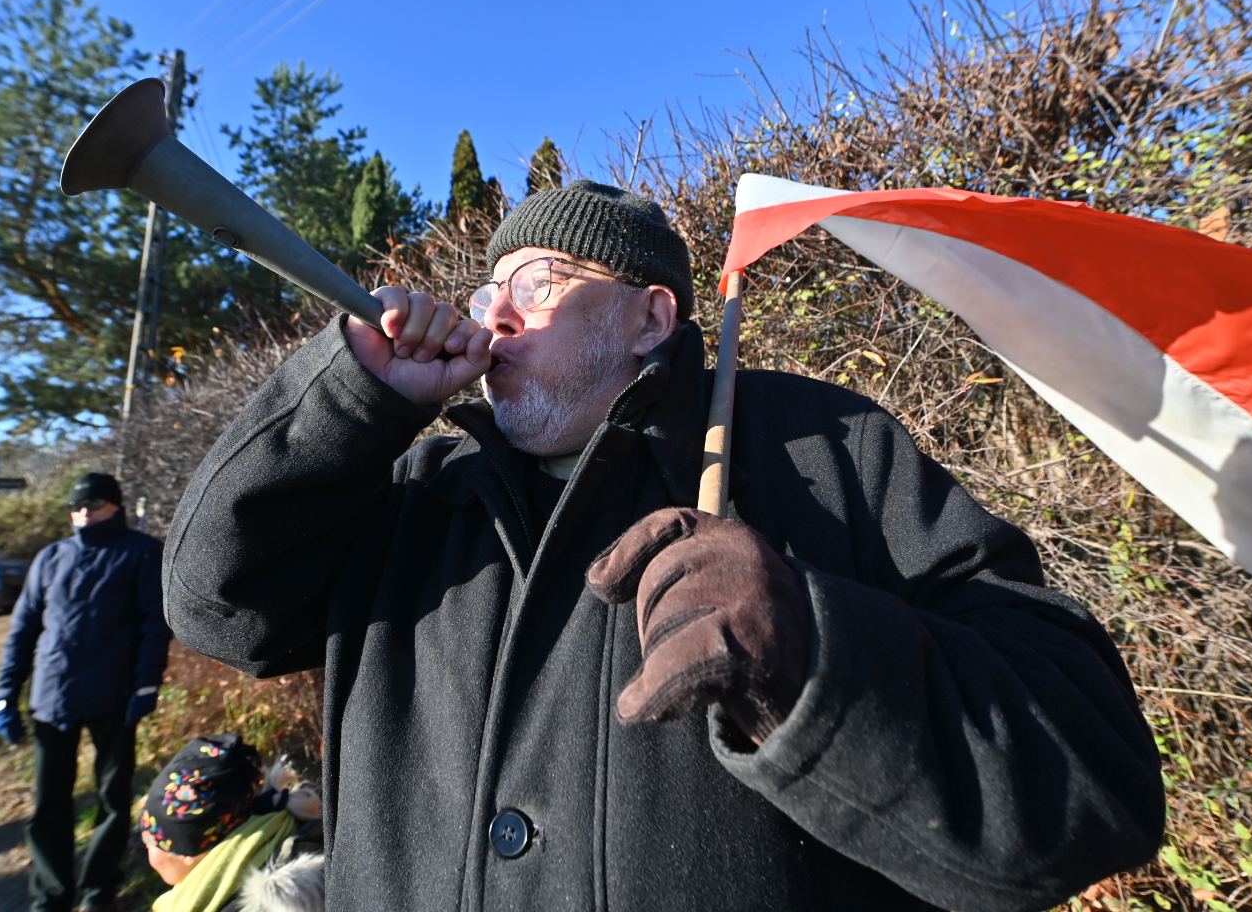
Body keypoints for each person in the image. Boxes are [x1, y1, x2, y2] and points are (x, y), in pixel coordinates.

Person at [162, 181, 1166, 911]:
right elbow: (215, 603)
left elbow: (1089, 783)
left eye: (542, 281)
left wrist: (815, 655)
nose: (495, 313)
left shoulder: (827, 451)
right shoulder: (415, 496)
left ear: (650, 317)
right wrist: (354, 397)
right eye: (484, 295)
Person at [0, 472, 172, 912]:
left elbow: (154, 625)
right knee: (49, 803)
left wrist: (146, 685)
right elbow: (23, 629)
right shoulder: (51, 557)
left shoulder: (142, 553)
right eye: (76, 506)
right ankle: (51, 895)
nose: (83, 513)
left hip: (114, 697)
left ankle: (98, 891)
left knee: (112, 801)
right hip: (51, 699)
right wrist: (4, 695)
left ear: (115, 505)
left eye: (92, 504)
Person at [140, 734, 324, 912]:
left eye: (150, 843)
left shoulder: (264, 905)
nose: (148, 854)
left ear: (184, 853)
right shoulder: (294, 832)